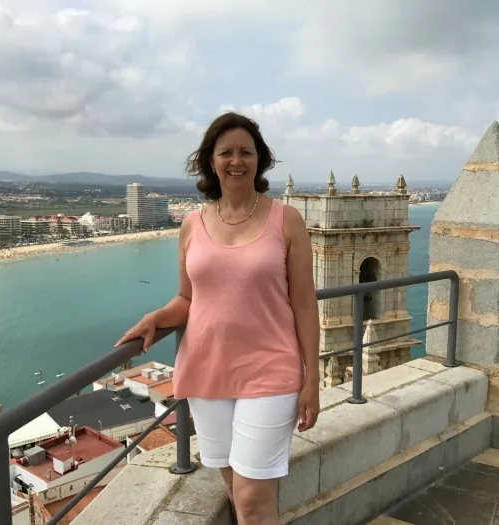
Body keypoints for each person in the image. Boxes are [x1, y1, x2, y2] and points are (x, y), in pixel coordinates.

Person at [115, 111, 321, 525]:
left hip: (270, 371)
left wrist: (311, 379)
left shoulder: (287, 220)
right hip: (208, 371)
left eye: (246, 151)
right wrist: (157, 317)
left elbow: (304, 304)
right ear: (212, 161)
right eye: (226, 152)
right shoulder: (192, 224)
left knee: (251, 499)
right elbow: (188, 298)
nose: (236, 160)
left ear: (260, 160)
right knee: (231, 485)